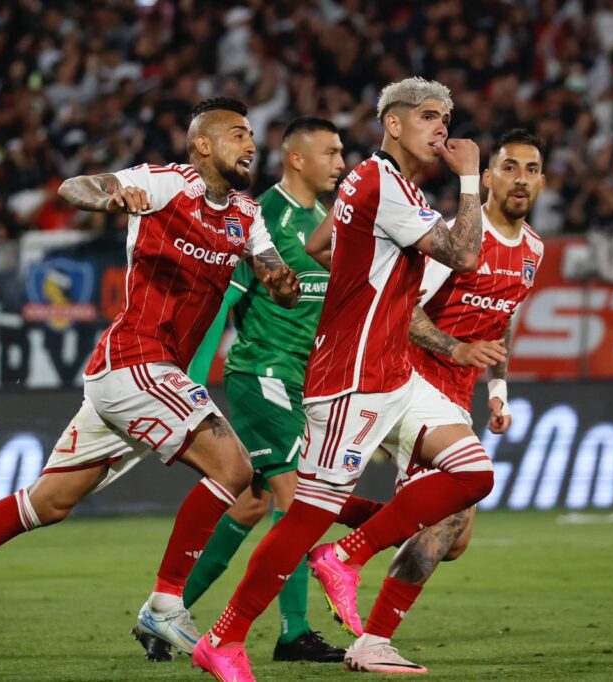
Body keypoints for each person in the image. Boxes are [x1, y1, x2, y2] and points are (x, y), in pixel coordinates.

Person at [0, 97, 302, 665]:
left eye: (252, 134)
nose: (251, 144)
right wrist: (112, 196)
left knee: (48, 502)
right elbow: (73, 187)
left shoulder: (246, 215)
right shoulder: (162, 184)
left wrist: (281, 282)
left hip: (138, 377)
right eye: (236, 134)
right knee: (235, 470)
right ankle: (164, 603)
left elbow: (271, 264)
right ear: (202, 144)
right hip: (137, 361)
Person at [192, 76, 492, 680]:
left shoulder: (369, 181)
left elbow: (323, 244)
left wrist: (369, 287)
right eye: (430, 116)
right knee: (302, 516)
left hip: (392, 372)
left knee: (472, 473)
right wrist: (469, 176)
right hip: (351, 378)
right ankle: (222, 640)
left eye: (447, 117)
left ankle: (347, 555)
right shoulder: (384, 184)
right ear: (394, 124)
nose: (442, 127)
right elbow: (465, 255)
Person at [135, 117, 373, 664]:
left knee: (251, 504)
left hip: (306, 383)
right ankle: (293, 634)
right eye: (331, 153)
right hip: (263, 374)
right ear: (297, 159)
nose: (342, 163)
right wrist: (188, 376)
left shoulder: (320, 222)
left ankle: (164, 613)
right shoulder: (263, 215)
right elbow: (221, 299)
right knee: (298, 502)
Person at [321, 128, 545, 673]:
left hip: (458, 394)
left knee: (454, 538)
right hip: (410, 381)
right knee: (446, 518)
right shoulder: (454, 239)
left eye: (533, 169)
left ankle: (319, 511)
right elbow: (406, 312)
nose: (521, 179)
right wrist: (456, 347)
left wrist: (497, 389)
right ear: (486, 177)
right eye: (510, 167)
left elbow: (504, 317)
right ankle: (371, 636)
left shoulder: (534, 249)